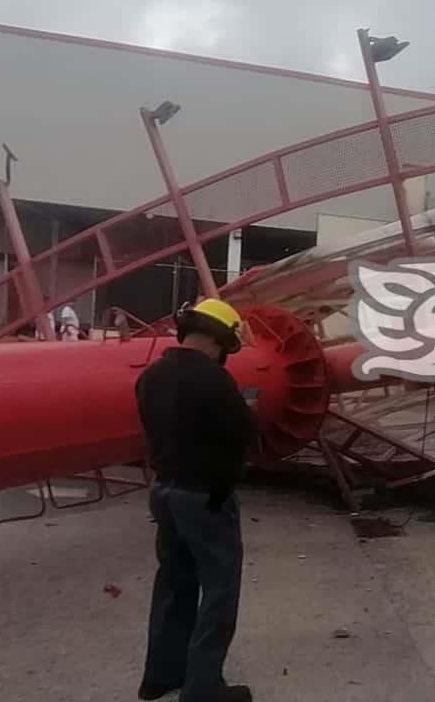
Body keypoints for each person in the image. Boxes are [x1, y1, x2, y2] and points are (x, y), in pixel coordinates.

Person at [135, 298, 255, 702]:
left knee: (173, 584)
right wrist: (222, 490)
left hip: (163, 491)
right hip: (203, 497)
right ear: (220, 340)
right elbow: (242, 439)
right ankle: (203, 691)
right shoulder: (215, 382)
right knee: (219, 593)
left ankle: (161, 676)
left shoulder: (150, 376)